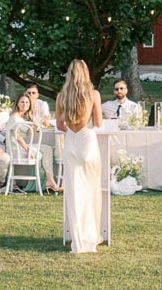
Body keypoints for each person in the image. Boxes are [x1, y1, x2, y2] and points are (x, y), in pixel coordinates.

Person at [57, 59, 103, 253]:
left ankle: (77, 241)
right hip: (88, 142)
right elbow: (99, 122)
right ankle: (91, 238)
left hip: (71, 143)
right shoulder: (93, 94)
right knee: (91, 193)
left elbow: (60, 126)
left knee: (75, 194)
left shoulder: (61, 96)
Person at [4, 91, 60, 192]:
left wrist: (35, 125)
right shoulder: (15, 118)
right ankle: (49, 181)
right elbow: (18, 137)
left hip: (20, 147)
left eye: (27, 103)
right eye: (22, 102)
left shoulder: (20, 117)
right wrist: (28, 150)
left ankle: (49, 180)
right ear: (17, 103)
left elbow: (29, 134)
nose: (25, 104)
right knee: (43, 151)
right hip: (16, 149)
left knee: (47, 148)